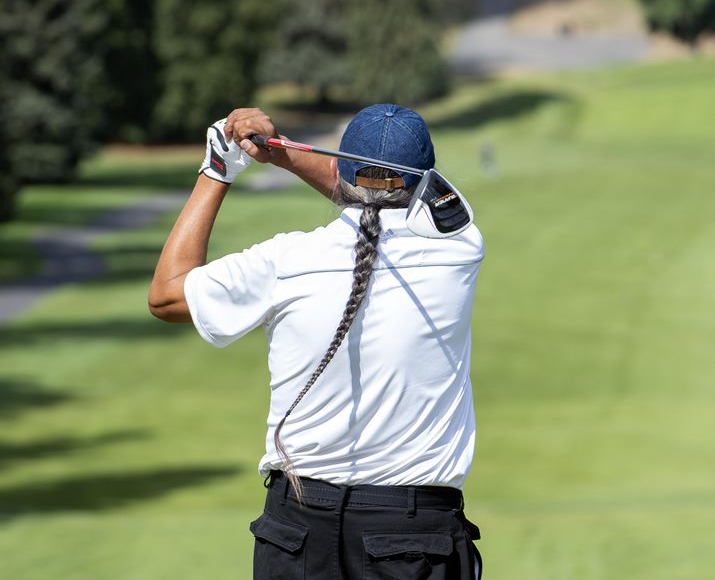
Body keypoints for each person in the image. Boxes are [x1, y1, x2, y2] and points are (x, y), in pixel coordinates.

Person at [148, 104, 484, 580]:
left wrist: (220, 166)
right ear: (424, 182)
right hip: (412, 536)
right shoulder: (459, 247)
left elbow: (166, 296)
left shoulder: (285, 261)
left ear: (338, 168)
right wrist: (283, 155)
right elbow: (376, 192)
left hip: (296, 531)